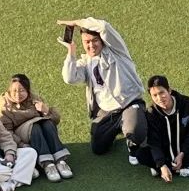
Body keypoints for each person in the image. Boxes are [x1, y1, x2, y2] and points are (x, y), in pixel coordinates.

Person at [58, 17, 147, 162]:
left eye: (95, 41)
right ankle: (121, 127)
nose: (91, 45)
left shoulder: (117, 50)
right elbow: (69, 78)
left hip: (128, 104)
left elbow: (104, 27)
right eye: (87, 42)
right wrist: (71, 52)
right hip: (106, 112)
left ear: (102, 40)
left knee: (135, 131)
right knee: (98, 148)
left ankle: (134, 141)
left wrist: (76, 22)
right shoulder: (85, 62)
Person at [0, 74, 73, 183]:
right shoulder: (4, 107)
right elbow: (5, 132)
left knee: (47, 123)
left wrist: (46, 111)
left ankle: (60, 160)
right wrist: (22, 144)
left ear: (27, 90)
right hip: (21, 136)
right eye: (14, 91)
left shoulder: (35, 99)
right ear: (9, 91)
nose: (18, 94)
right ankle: (47, 164)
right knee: (35, 127)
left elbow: (55, 121)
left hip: (38, 128)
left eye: (21, 90)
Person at [136, 75, 189, 181]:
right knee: (141, 155)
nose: (159, 98)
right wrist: (161, 164)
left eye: (162, 93)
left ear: (169, 90)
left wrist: (182, 154)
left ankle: (161, 169)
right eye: (155, 95)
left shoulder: (187, 103)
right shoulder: (151, 113)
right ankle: (178, 169)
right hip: (165, 153)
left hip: (185, 152)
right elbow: (154, 141)